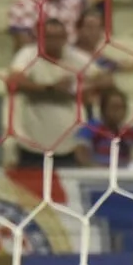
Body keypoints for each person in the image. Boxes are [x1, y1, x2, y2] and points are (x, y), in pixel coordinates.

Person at [7, 18, 100, 167]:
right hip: (32, 147)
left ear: (65, 38)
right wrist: (50, 89)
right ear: (39, 37)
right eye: (49, 37)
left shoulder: (75, 56)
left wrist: (77, 90)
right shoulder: (28, 54)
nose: (54, 42)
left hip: (70, 146)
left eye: (59, 37)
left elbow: (106, 80)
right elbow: (13, 82)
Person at [73, 87, 133, 167]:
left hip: (124, 175)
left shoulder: (131, 132)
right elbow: (81, 155)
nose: (119, 111)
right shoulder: (91, 128)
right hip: (97, 174)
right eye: (114, 107)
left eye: (122, 107)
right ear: (103, 109)